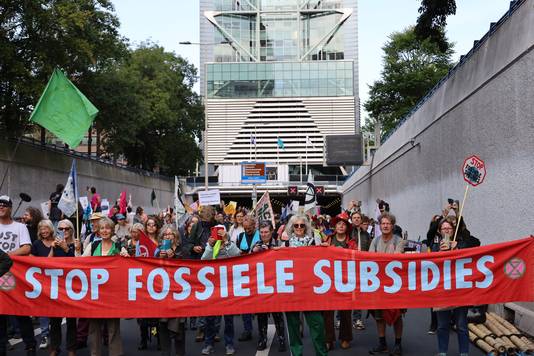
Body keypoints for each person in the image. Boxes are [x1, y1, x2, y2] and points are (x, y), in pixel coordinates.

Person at [431, 217, 479, 356]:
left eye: (449, 228)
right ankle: (442, 352)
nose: (447, 230)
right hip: (442, 290)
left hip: (459, 289)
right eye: (444, 228)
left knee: (462, 325)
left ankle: (464, 353)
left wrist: (457, 249)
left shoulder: (462, 243)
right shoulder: (435, 245)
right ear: (440, 231)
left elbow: (474, 247)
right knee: (442, 325)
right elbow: (430, 264)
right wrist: (440, 252)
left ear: (453, 230)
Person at [282, 215, 327, 356]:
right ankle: (296, 354)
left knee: (317, 325)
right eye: (296, 225)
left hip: (311, 291)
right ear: (292, 227)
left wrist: (326, 249)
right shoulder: (286, 245)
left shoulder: (314, 242)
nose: (299, 228)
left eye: (302, 225)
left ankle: (321, 353)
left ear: (306, 227)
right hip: (292, 291)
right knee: (294, 327)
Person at [31, 219, 77, 356]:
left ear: (72, 229)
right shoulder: (55, 245)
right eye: (61, 229)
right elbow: (48, 263)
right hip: (56, 286)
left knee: (71, 320)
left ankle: (71, 349)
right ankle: (54, 347)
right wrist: (53, 248)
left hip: (71, 287)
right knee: (54, 319)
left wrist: (66, 249)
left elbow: (78, 263)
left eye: (67, 229)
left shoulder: (77, 244)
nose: (64, 231)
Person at [0, 195, 37, 356]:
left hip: (14, 274)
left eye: (5, 205)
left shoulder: (20, 227)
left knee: (19, 312)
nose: (1, 207)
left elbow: (26, 248)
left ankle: (30, 345)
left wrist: (6, 256)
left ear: (10, 207)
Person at [83, 217, 125, 356]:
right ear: (98, 231)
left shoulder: (119, 246)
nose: (105, 231)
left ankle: (115, 353)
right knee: (94, 328)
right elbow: (79, 265)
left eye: (107, 228)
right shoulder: (92, 246)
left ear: (112, 230)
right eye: (102, 228)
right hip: (95, 293)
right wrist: (77, 250)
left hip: (113, 294)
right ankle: (95, 353)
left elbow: (129, 267)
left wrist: (126, 256)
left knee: (113, 327)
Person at [368, 212, 406, 356]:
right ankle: (382, 343)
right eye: (383, 223)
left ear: (392, 225)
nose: (385, 226)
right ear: (380, 225)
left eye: (388, 223)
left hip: (395, 286)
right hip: (378, 284)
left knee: (397, 316)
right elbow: (370, 259)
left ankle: (398, 344)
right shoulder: (375, 241)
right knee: (379, 316)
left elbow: (396, 257)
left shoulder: (399, 241)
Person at [201, 225, 240, 355]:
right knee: (210, 318)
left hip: (228, 287)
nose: (219, 234)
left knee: (228, 318)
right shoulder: (212, 245)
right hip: (213, 287)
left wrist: (227, 241)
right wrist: (210, 245)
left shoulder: (230, 244)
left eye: (221, 231)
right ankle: (208, 344)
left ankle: (229, 344)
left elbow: (237, 254)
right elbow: (204, 259)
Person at [251, 220, 286, 352]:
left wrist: (273, 251)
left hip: (276, 283)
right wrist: (253, 252)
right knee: (261, 315)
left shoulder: (278, 244)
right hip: (261, 284)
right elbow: (247, 263)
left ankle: (282, 339)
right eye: (262, 232)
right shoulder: (256, 244)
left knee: (277, 314)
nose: (264, 234)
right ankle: (262, 339)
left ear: (272, 232)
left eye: (266, 232)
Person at [322, 213, 354, 350]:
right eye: (339, 223)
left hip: (346, 279)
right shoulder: (328, 239)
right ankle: (328, 339)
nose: (341, 226)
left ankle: (345, 338)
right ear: (335, 226)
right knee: (327, 311)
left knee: (346, 310)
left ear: (346, 227)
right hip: (329, 279)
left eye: (344, 224)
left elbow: (355, 258)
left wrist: (344, 253)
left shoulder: (351, 242)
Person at [157, 224, 186, 356]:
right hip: (162, 293)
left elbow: (188, 267)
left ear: (175, 236)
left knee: (179, 328)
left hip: (178, 294)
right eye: (165, 235)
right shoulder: (157, 251)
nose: (168, 236)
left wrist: (174, 256)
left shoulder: (182, 250)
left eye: (170, 234)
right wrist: (160, 258)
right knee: (162, 326)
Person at [235, 215, 259, 342]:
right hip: (244, 273)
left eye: (249, 228)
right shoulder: (240, 237)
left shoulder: (261, 235)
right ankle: (247, 329)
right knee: (245, 302)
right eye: (245, 228)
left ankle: (262, 330)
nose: (247, 230)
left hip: (258, 272)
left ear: (254, 226)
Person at [350, 211, 372, 330]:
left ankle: (357, 319)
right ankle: (340, 319)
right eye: (355, 217)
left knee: (357, 293)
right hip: (348, 266)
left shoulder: (366, 234)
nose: (357, 219)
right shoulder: (348, 232)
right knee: (345, 292)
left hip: (361, 267)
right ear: (351, 219)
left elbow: (369, 249)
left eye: (359, 218)